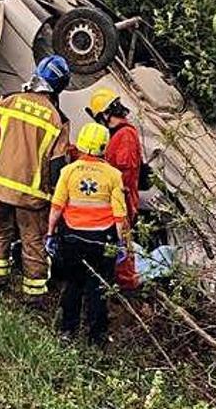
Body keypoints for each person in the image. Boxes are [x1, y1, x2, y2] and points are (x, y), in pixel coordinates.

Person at [0, 55, 71, 302]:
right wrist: (56, 197)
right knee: (33, 242)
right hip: (31, 195)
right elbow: (57, 165)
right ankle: (33, 294)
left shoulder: (8, 100)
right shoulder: (58, 119)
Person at [45, 122, 127, 347]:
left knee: (73, 285)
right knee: (98, 288)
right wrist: (119, 243)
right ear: (104, 146)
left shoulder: (68, 171)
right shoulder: (113, 175)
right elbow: (119, 215)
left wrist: (50, 234)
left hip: (73, 239)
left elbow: (57, 206)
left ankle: (67, 331)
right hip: (102, 241)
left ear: (80, 143)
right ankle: (96, 337)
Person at [86, 87, 142, 290]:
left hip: (121, 201)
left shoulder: (125, 136)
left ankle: (127, 287)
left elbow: (123, 174)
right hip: (116, 200)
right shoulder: (119, 135)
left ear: (105, 114)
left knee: (122, 247)